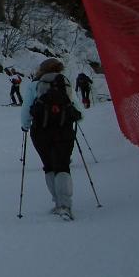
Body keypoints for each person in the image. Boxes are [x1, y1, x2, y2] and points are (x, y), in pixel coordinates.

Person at [20, 58, 84, 220]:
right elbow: (77, 109)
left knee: (49, 166)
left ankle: (57, 203)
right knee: (63, 165)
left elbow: (27, 109)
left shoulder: (34, 85)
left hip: (40, 131)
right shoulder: (65, 83)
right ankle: (65, 205)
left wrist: (25, 126)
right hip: (64, 130)